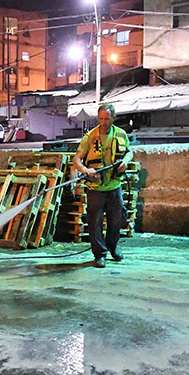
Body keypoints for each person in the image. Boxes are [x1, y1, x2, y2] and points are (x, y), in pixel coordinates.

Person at [72, 104, 133, 268]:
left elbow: (129, 151)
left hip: (114, 186)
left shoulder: (121, 134)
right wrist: (86, 170)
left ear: (113, 118)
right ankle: (100, 254)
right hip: (96, 188)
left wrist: (126, 162)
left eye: (106, 119)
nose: (103, 122)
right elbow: (76, 160)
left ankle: (113, 246)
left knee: (116, 219)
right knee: (95, 222)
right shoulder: (90, 137)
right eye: (100, 119)